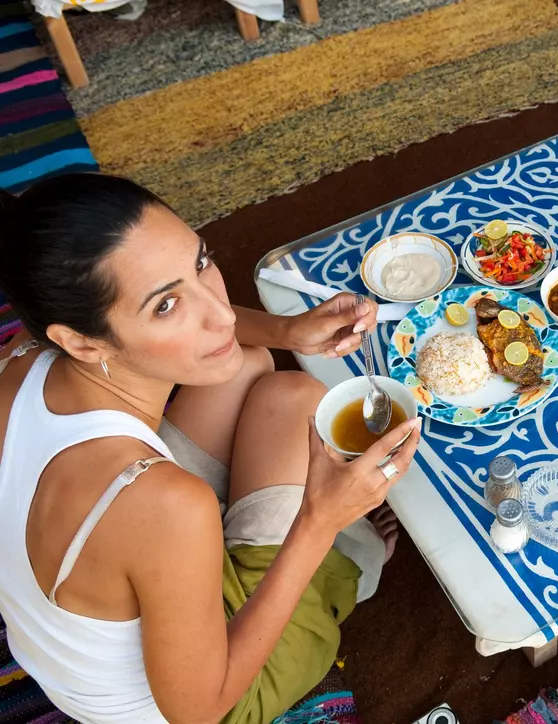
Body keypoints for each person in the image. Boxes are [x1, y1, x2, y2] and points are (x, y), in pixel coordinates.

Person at [0, 173, 422, 724]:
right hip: (179, 699)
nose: (222, 313)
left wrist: (287, 331)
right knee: (297, 420)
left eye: (201, 263)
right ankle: (350, 566)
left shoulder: (23, 356)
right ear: (79, 340)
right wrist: (321, 520)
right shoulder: (166, 503)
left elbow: (215, 326)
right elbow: (198, 711)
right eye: (166, 306)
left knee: (255, 370)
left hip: (73, 608)